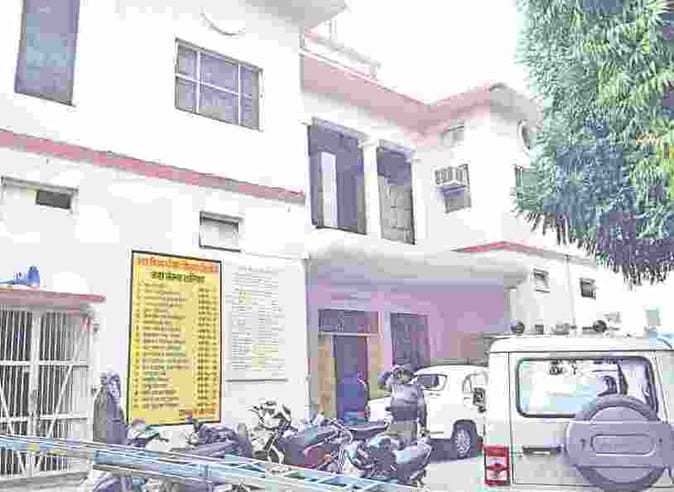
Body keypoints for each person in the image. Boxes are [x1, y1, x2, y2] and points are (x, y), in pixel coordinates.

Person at [377, 363, 427, 444]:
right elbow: (380, 384)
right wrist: (389, 371)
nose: (402, 376)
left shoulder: (415, 388)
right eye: (401, 373)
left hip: (409, 423)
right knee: (390, 444)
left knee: (407, 446)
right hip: (395, 422)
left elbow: (422, 408)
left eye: (406, 373)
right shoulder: (395, 386)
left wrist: (423, 425)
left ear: (410, 376)